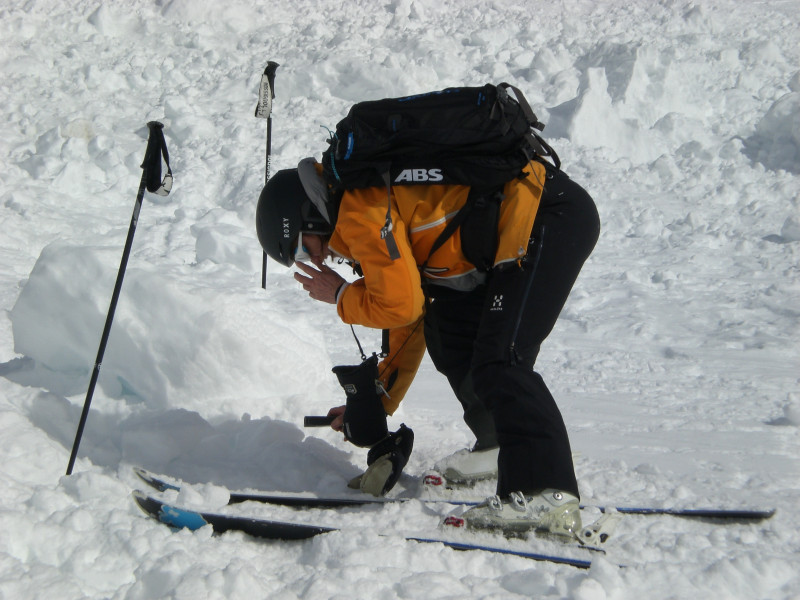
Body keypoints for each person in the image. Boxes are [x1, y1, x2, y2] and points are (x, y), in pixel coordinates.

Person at [256, 151, 600, 537]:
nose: (316, 259)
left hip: (546, 217)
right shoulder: (356, 206)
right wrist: (378, 401)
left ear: (307, 214)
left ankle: (545, 492)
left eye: (304, 248)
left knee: (502, 358)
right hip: (523, 226)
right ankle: (497, 446)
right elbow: (412, 316)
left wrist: (340, 295)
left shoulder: (356, 212)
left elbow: (400, 304)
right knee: (448, 328)